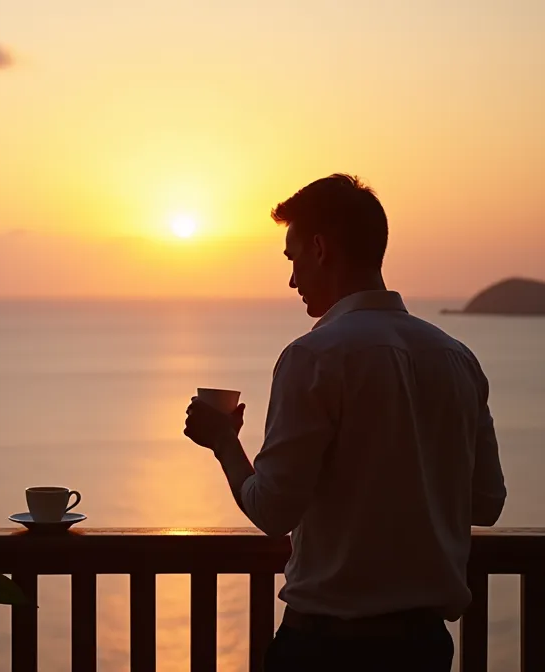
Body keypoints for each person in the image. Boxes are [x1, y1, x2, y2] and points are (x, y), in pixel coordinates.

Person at [183, 174, 506, 671]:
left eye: (292, 259)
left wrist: (224, 442)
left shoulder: (313, 358)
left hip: (327, 649)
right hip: (423, 649)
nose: (292, 281)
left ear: (318, 248)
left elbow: (272, 511)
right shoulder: (456, 359)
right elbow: (486, 503)